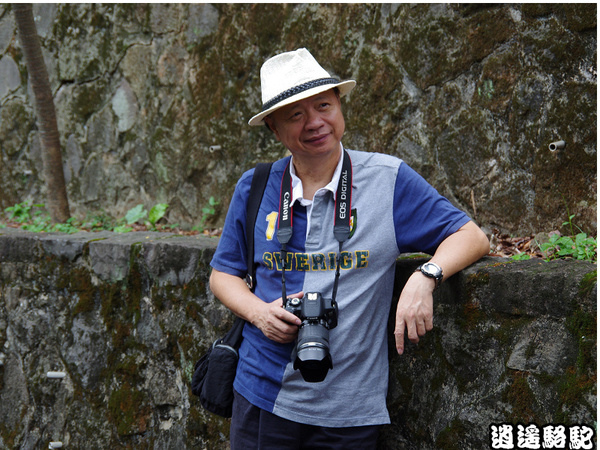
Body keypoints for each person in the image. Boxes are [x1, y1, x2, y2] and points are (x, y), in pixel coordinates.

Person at [209, 48, 489, 449]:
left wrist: (425, 276)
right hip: (262, 393)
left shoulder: (387, 180)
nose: (315, 122)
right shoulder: (256, 186)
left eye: (323, 106)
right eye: (295, 114)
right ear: (273, 127)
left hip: (349, 408)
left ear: (340, 105)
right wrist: (259, 314)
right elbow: (223, 274)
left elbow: (471, 236)